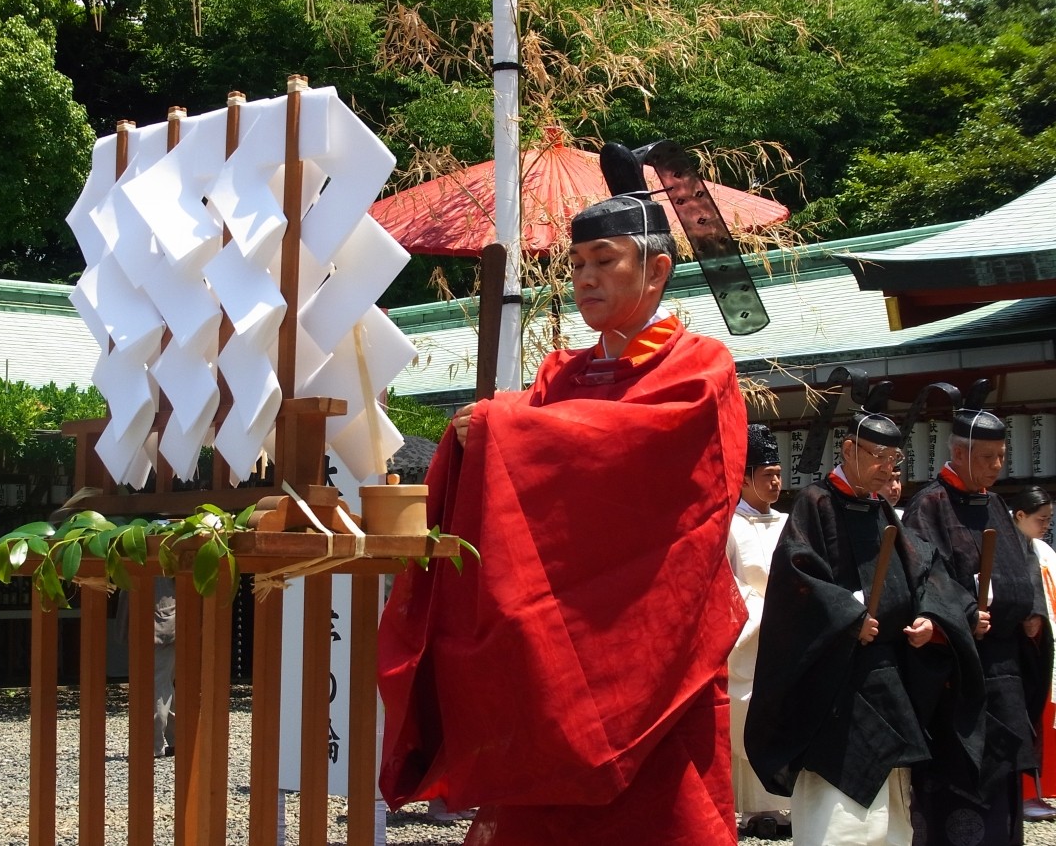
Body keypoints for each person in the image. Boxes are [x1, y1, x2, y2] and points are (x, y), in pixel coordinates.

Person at [377, 175, 749, 844]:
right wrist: (491, 431)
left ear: (657, 268)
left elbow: (630, 453)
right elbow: (534, 477)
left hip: (654, 636)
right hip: (559, 644)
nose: (585, 278)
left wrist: (506, 428)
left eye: (605, 261)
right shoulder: (559, 375)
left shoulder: (700, 367)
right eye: (576, 264)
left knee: (663, 811)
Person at [746, 411, 984, 846]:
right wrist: (848, 617)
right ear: (850, 450)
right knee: (838, 820)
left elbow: (926, 572)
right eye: (878, 456)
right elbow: (795, 584)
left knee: (891, 821)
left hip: (889, 679)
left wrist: (935, 619)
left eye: (894, 459)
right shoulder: (814, 505)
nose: (886, 468)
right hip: (832, 684)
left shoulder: (883, 512)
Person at [904, 409, 1052, 845]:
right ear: (958, 452)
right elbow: (922, 579)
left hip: (1004, 672)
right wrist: (964, 615)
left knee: (1002, 800)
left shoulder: (996, 504)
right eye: (986, 457)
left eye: (1001, 456)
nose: (996, 466)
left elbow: (1023, 568)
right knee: (956, 794)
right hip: (959, 677)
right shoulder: (928, 505)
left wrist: (1033, 614)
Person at [727, 423, 792, 838]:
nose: (776, 482)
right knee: (749, 715)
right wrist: (762, 616)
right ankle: (751, 807)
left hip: (791, 638)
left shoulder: (791, 523)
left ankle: (787, 804)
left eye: (778, 473)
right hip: (749, 637)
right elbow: (727, 585)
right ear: (745, 477)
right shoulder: (728, 527)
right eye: (767, 474)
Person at [1010, 486, 1056, 822]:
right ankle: (1023, 793)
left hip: (1037, 644)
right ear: (1020, 516)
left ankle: (1032, 791)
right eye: (1040, 519)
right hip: (1012, 647)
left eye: (1049, 520)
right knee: (1020, 717)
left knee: (1036, 716)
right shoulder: (1008, 546)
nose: (1045, 526)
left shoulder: (1038, 549)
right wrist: (1031, 614)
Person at [153, 575, 176, 758]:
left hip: (160, 627)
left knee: (158, 685)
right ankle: (177, 739)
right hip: (164, 623)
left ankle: (154, 745)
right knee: (165, 682)